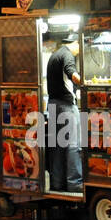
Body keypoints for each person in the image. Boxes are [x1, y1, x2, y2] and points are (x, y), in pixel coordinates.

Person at [45, 33, 84, 193]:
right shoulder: (67, 54)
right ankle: (75, 183)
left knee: (58, 146)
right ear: (76, 43)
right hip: (66, 106)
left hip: (52, 105)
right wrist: (86, 83)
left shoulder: (55, 55)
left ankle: (57, 183)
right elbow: (71, 73)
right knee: (73, 145)